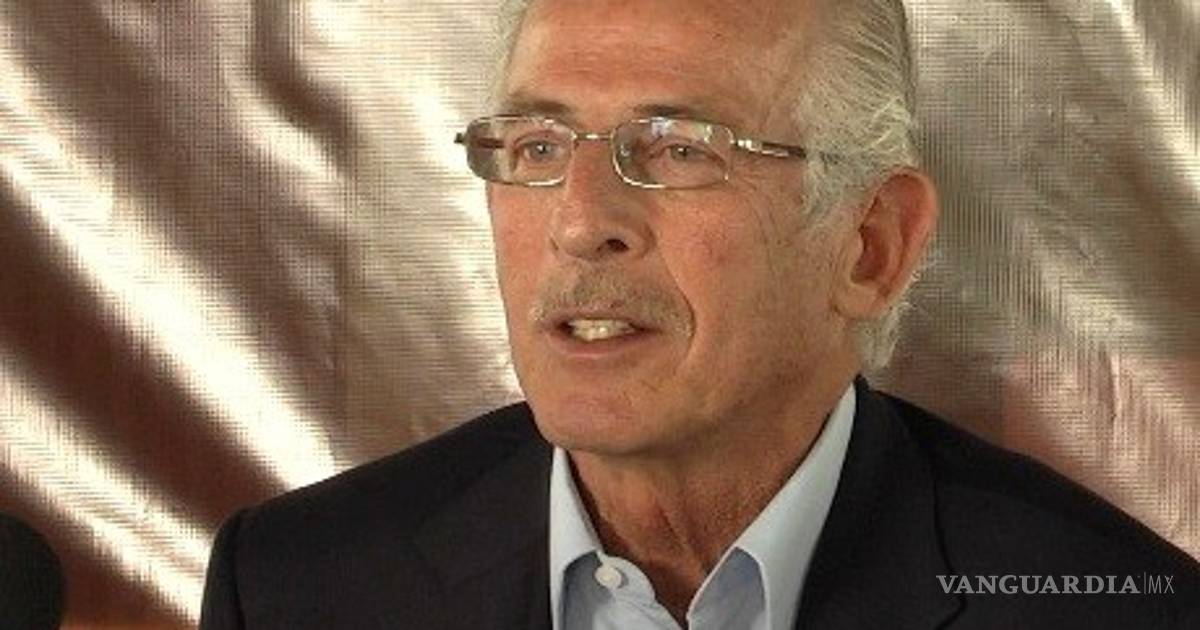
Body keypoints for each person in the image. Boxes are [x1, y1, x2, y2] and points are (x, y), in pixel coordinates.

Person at [199, 0, 1200, 627]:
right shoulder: (296, 588)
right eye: (539, 146)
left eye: (679, 148)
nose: (581, 224)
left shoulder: (1119, 608)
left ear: (870, 245)